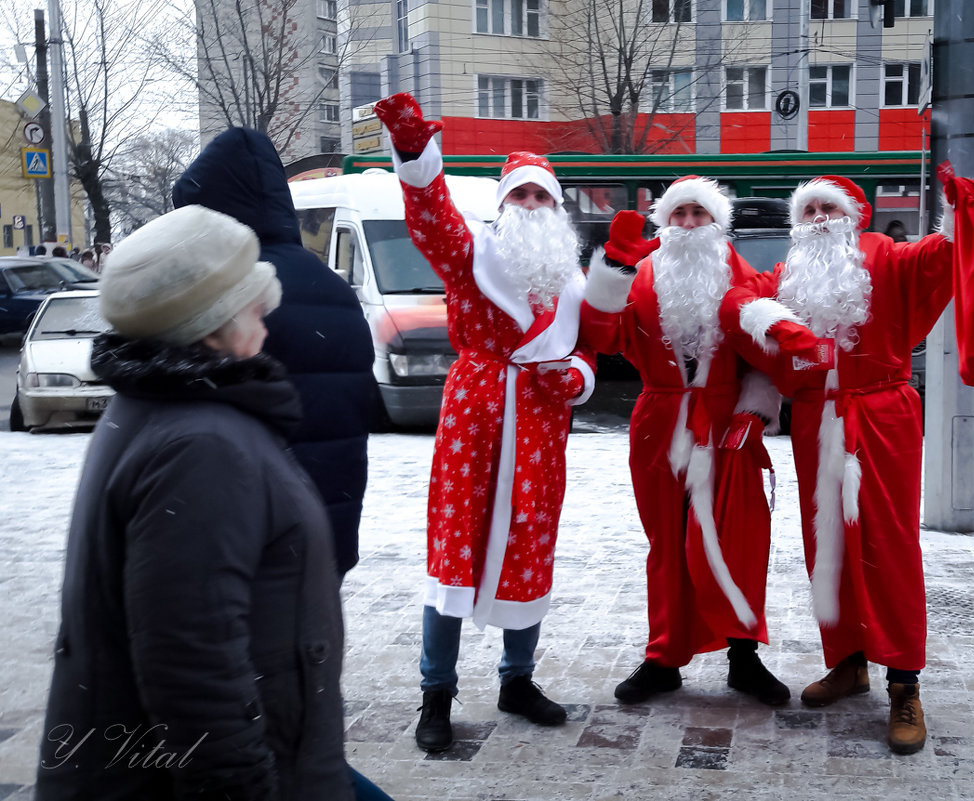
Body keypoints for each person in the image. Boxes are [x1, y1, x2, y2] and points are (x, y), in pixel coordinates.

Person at [35, 205, 392, 800]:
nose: (268, 323)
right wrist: (240, 787)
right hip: (238, 769)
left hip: (273, 746)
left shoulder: (166, 409)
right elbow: (190, 660)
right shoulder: (199, 444)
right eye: (254, 306)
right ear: (208, 325)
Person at [720, 170, 974, 754]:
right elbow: (740, 302)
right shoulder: (788, 273)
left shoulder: (890, 258)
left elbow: (952, 251)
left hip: (881, 416)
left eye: (829, 208)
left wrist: (963, 208)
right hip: (817, 422)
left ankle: (905, 684)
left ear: (857, 215)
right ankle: (848, 663)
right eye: (809, 211)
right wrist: (775, 323)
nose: (819, 219)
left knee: (887, 546)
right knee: (827, 544)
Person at [373, 92, 597, 753]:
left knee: (529, 543)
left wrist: (576, 377)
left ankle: (516, 679)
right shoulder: (471, 254)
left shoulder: (573, 282)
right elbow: (430, 217)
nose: (531, 207)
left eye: (541, 199)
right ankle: (435, 692)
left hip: (538, 423)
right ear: (503, 206)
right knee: (455, 549)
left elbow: (587, 350)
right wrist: (415, 154)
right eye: (520, 197)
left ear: (557, 209)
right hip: (477, 411)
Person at [579, 177, 820, 708]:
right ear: (665, 223)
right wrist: (613, 267)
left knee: (739, 541)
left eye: (699, 214)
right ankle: (663, 657)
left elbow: (767, 357)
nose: (688, 224)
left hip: (726, 425)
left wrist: (755, 413)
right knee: (666, 543)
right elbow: (600, 334)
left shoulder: (746, 277)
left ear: (717, 223)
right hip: (659, 423)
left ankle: (743, 655)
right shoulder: (638, 278)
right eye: (679, 214)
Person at [172, 127, 375, 576]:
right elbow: (358, 404)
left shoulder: (228, 291)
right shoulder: (334, 287)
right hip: (329, 521)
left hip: (251, 527)